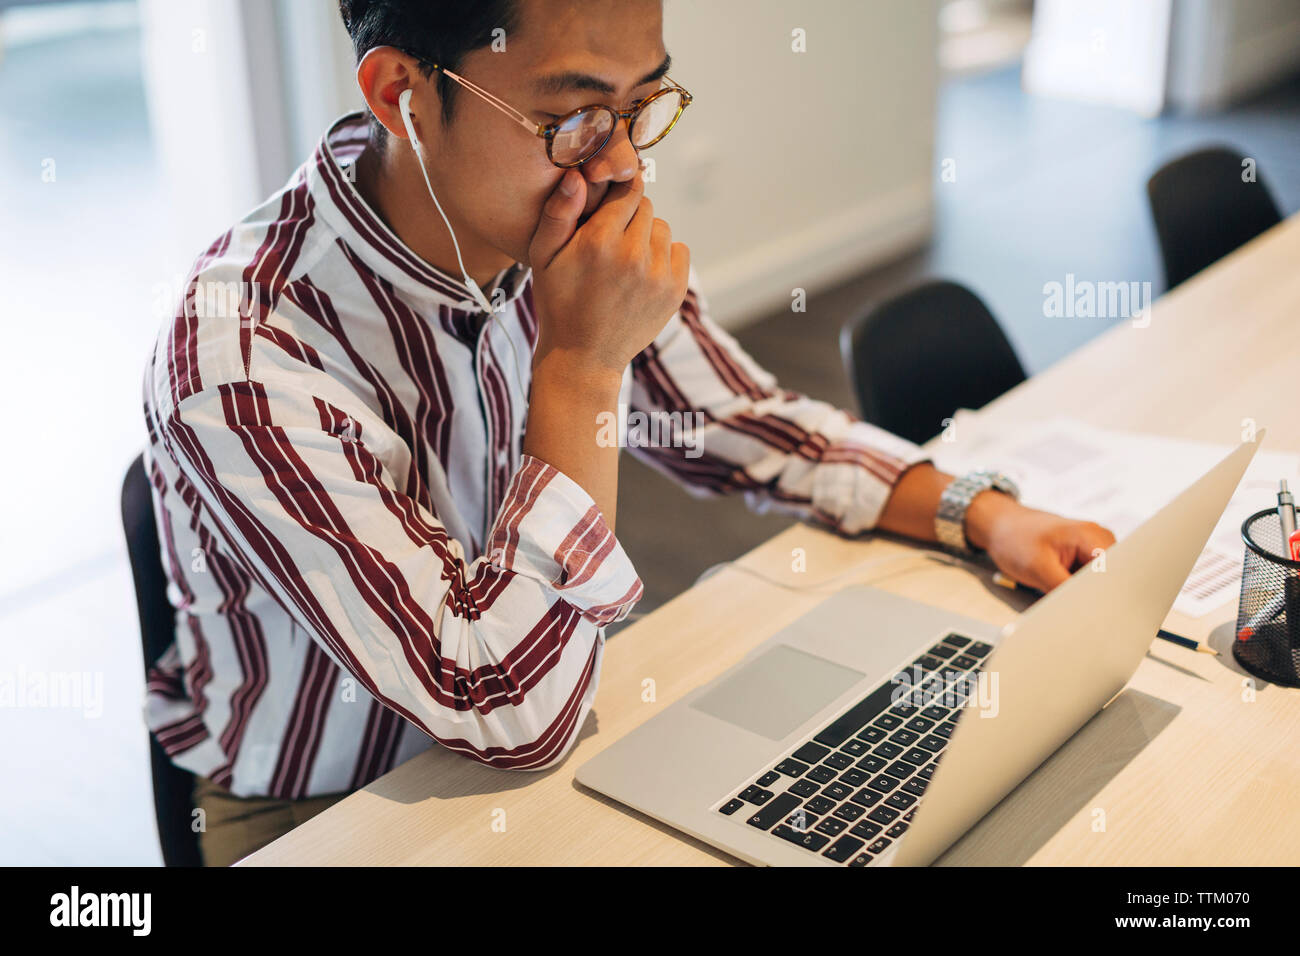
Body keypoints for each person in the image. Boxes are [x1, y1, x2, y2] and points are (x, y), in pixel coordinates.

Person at [140, 0, 1115, 866]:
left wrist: (978, 513)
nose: (619, 164)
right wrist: (579, 366)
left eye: (641, 103)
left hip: (540, 712)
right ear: (401, 91)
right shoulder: (242, 347)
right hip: (325, 811)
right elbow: (498, 701)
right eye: (568, 119)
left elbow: (736, 420)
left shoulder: (555, 215)